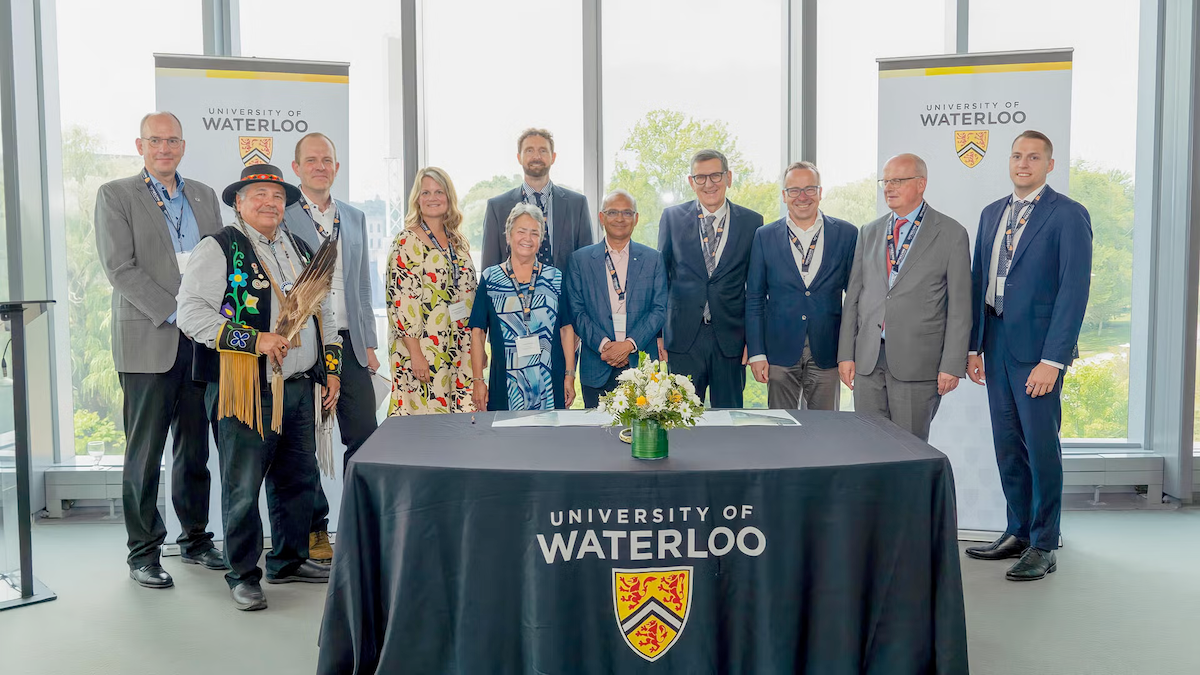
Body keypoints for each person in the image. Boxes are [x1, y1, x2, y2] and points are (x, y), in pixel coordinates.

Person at [177, 164, 342, 611]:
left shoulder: (303, 249)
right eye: (258, 195)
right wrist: (255, 340)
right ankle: (243, 574)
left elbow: (326, 315)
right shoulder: (219, 247)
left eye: (275, 194)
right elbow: (191, 314)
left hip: (298, 386)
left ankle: (289, 560)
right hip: (244, 387)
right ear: (239, 202)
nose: (269, 202)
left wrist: (332, 371)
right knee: (243, 485)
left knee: (297, 480)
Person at [94, 111, 227, 589]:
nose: (164, 148)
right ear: (140, 145)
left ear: (183, 146)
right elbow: (120, 268)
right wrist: (177, 311)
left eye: (172, 140)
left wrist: (214, 315)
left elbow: (223, 259)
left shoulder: (205, 196)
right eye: (156, 140)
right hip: (151, 336)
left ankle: (195, 539)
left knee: (195, 448)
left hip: (201, 343)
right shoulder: (116, 196)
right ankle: (143, 551)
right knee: (145, 452)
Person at [964, 131, 1092, 582]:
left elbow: (1074, 292)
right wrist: (974, 345)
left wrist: (1053, 360)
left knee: (1041, 449)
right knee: (1007, 447)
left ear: (1049, 165)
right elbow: (981, 281)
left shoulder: (1068, 215)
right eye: (1017, 156)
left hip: (1037, 353)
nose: (1023, 163)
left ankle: (1044, 542)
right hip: (995, 345)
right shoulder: (991, 213)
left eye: (1033, 157)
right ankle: (1018, 531)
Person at [285, 132, 379, 564]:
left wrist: (371, 344)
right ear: (297, 168)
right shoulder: (283, 217)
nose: (321, 166)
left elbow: (362, 285)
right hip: (307, 344)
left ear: (337, 168)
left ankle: (359, 525)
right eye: (312, 160)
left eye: (328, 160)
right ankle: (315, 529)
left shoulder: (355, 217)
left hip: (351, 344)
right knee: (303, 443)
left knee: (362, 438)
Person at [837, 153, 971, 442]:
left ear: (921, 184)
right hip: (868, 361)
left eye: (898, 180)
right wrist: (846, 354)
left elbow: (961, 307)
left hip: (918, 364)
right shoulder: (869, 232)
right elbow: (854, 297)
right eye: (885, 181)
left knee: (909, 451)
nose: (889, 187)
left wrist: (951, 364)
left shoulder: (950, 233)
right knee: (868, 448)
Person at [746, 161, 857, 410]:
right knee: (781, 431)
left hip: (828, 350)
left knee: (825, 430)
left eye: (809, 189)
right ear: (784, 196)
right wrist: (757, 353)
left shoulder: (847, 234)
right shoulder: (764, 236)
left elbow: (854, 299)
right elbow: (754, 298)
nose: (802, 197)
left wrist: (850, 352)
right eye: (794, 190)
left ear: (820, 192)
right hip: (779, 351)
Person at [657, 149, 763, 408]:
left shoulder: (752, 222)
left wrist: (754, 341)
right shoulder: (671, 218)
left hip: (731, 339)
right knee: (680, 419)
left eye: (715, 175)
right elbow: (662, 278)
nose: (709, 184)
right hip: (682, 339)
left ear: (728, 177)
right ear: (691, 182)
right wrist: (659, 335)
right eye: (700, 177)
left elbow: (756, 288)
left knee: (729, 420)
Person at [469, 203, 577, 411]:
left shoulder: (555, 278)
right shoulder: (491, 278)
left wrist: (570, 375)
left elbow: (566, 329)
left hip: (549, 381)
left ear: (541, 239)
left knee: (549, 441)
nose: (528, 239)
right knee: (505, 442)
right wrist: (477, 380)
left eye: (534, 233)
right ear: (508, 236)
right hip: (504, 383)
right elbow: (477, 333)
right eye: (521, 231)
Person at [387, 167, 476, 415]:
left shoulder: (458, 243)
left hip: (459, 349)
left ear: (449, 198)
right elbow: (402, 302)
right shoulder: (406, 241)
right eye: (425, 192)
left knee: (460, 427)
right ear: (417, 199)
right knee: (425, 426)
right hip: (423, 350)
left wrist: (475, 348)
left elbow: (469, 295)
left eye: (439, 191)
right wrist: (416, 354)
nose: (432, 197)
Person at [566, 190, 668, 408]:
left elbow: (659, 309)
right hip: (597, 363)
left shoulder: (654, 259)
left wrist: (629, 345)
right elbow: (576, 311)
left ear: (636, 218)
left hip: (640, 365)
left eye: (627, 213)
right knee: (597, 436)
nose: (620, 219)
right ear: (602, 217)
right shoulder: (580, 260)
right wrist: (605, 346)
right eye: (612, 212)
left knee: (641, 436)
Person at [481, 128, 593, 270]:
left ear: (553, 157)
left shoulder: (577, 204)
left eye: (543, 150)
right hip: (512, 291)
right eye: (529, 150)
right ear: (519, 157)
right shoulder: (497, 207)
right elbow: (489, 267)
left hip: (565, 291)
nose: (536, 156)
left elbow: (586, 263)